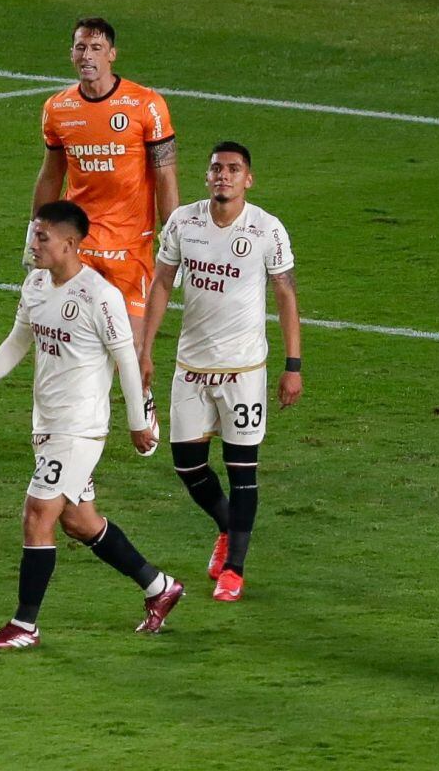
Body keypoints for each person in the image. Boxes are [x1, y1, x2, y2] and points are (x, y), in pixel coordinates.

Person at [0, 200, 183, 648]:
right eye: (33, 235)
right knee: (80, 521)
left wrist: (138, 423)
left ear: (70, 243)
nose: (33, 244)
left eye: (42, 237)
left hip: (79, 428)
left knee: (37, 513)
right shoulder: (36, 285)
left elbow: (127, 360)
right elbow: (19, 339)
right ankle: (160, 587)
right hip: (46, 423)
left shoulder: (100, 296)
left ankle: (24, 625)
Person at [139, 141, 301, 602]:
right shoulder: (183, 222)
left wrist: (292, 365)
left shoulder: (267, 229)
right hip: (191, 366)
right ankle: (230, 527)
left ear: (248, 179)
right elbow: (162, 282)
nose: (223, 176)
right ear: (206, 176)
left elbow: (286, 295)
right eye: (216, 169)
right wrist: (144, 350)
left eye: (233, 169)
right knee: (187, 464)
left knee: (241, 469)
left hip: (243, 370)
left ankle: (234, 569)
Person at [27, 16, 180, 452]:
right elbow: (51, 173)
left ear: (112, 54)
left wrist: (175, 235)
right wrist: (36, 231)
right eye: (80, 47)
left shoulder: (146, 105)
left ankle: (141, 397)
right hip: (79, 243)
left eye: (96, 48)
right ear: (71, 54)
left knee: (128, 347)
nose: (87, 56)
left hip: (131, 246)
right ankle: (77, 431)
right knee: (70, 340)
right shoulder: (58, 109)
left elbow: (165, 175)